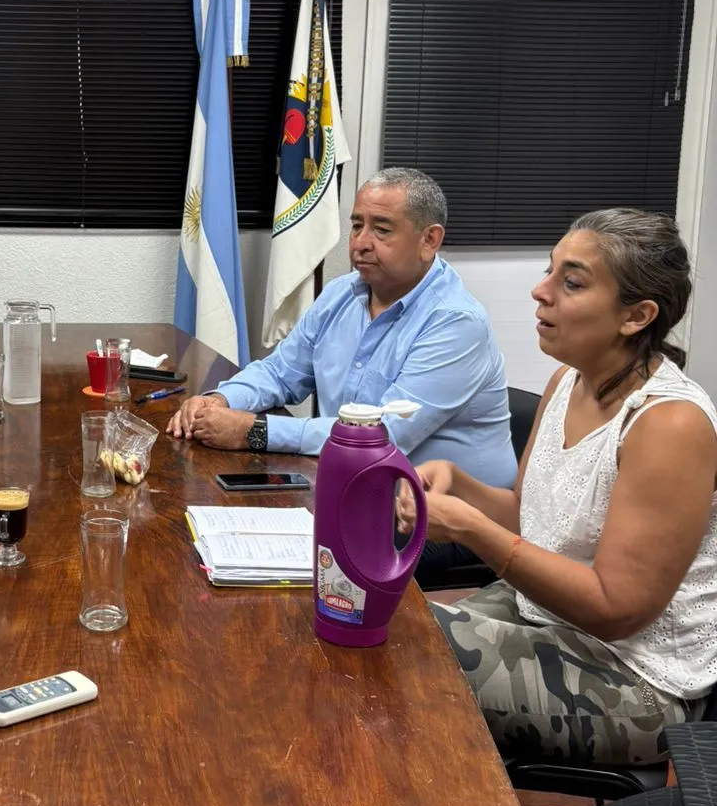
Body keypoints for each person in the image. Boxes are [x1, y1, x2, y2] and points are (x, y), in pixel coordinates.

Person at [403, 209, 717, 766]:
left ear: (636, 316)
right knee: (383, 622)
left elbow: (615, 609)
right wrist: (460, 484)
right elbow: (530, 518)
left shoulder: (670, 424)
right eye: (549, 271)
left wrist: (470, 529)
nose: (540, 291)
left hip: (636, 679)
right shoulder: (566, 380)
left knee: (398, 653)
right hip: (545, 613)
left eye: (571, 283)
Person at [167, 168, 516, 490]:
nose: (360, 243)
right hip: (351, 482)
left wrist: (253, 431)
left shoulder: (456, 323)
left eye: (381, 230)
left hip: (443, 513)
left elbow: (382, 436)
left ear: (430, 240)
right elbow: (280, 373)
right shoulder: (341, 294)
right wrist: (220, 400)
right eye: (356, 226)